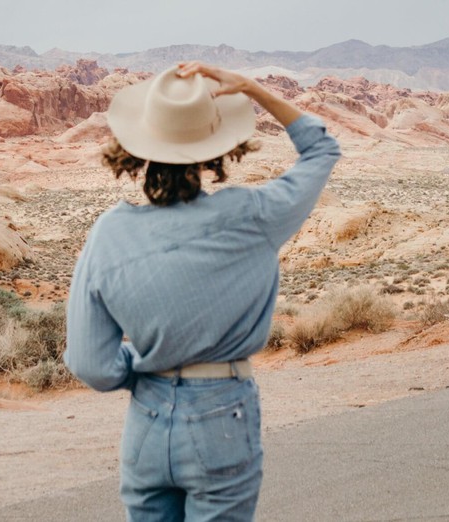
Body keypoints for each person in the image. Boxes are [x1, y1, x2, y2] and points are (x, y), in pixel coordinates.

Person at [65, 62, 341, 522]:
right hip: (221, 416)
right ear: (217, 148)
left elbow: (91, 364)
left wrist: (146, 366)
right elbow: (322, 150)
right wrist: (252, 88)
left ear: (137, 146)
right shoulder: (252, 214)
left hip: (146, 426)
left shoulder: (108, 234)